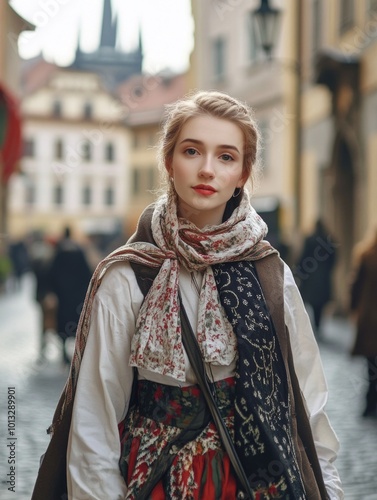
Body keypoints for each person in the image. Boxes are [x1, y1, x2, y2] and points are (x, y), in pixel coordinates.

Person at [32, 91, 343, 499]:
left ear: (244, 173)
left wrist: (330, 490)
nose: (208, 169)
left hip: (256, 483)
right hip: (157, 482)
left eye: (227, 156)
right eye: (192, 151)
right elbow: (95, 423)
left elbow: (308, 403)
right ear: (168, 162)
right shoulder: (129, 276)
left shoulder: (270, 272)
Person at [49, 226, 92, 365]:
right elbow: (87, 272)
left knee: (63, 321)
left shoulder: (59, 251)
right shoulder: (78, 250)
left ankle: (62, 351)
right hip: (77, 294)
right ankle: (76, 352)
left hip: (63, 294)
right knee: (76, 320)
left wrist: (54, 290)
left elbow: (52, 272)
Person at [349, 228, 377, 418]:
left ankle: (370, 401)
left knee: (371, 363)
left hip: (370, 317)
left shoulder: (365, 255)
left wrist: (352, 308)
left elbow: (355, 286)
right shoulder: (365, 255)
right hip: (370, 317)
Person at [296, 219, 337, 336]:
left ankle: (316, 325)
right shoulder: (328, 240)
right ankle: (318, 325)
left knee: (314, 303)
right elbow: (333, 259)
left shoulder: (310, 239)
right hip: (323, 277)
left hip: (311, 277)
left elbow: (303, 257)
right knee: (320, 303)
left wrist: (300, 271)